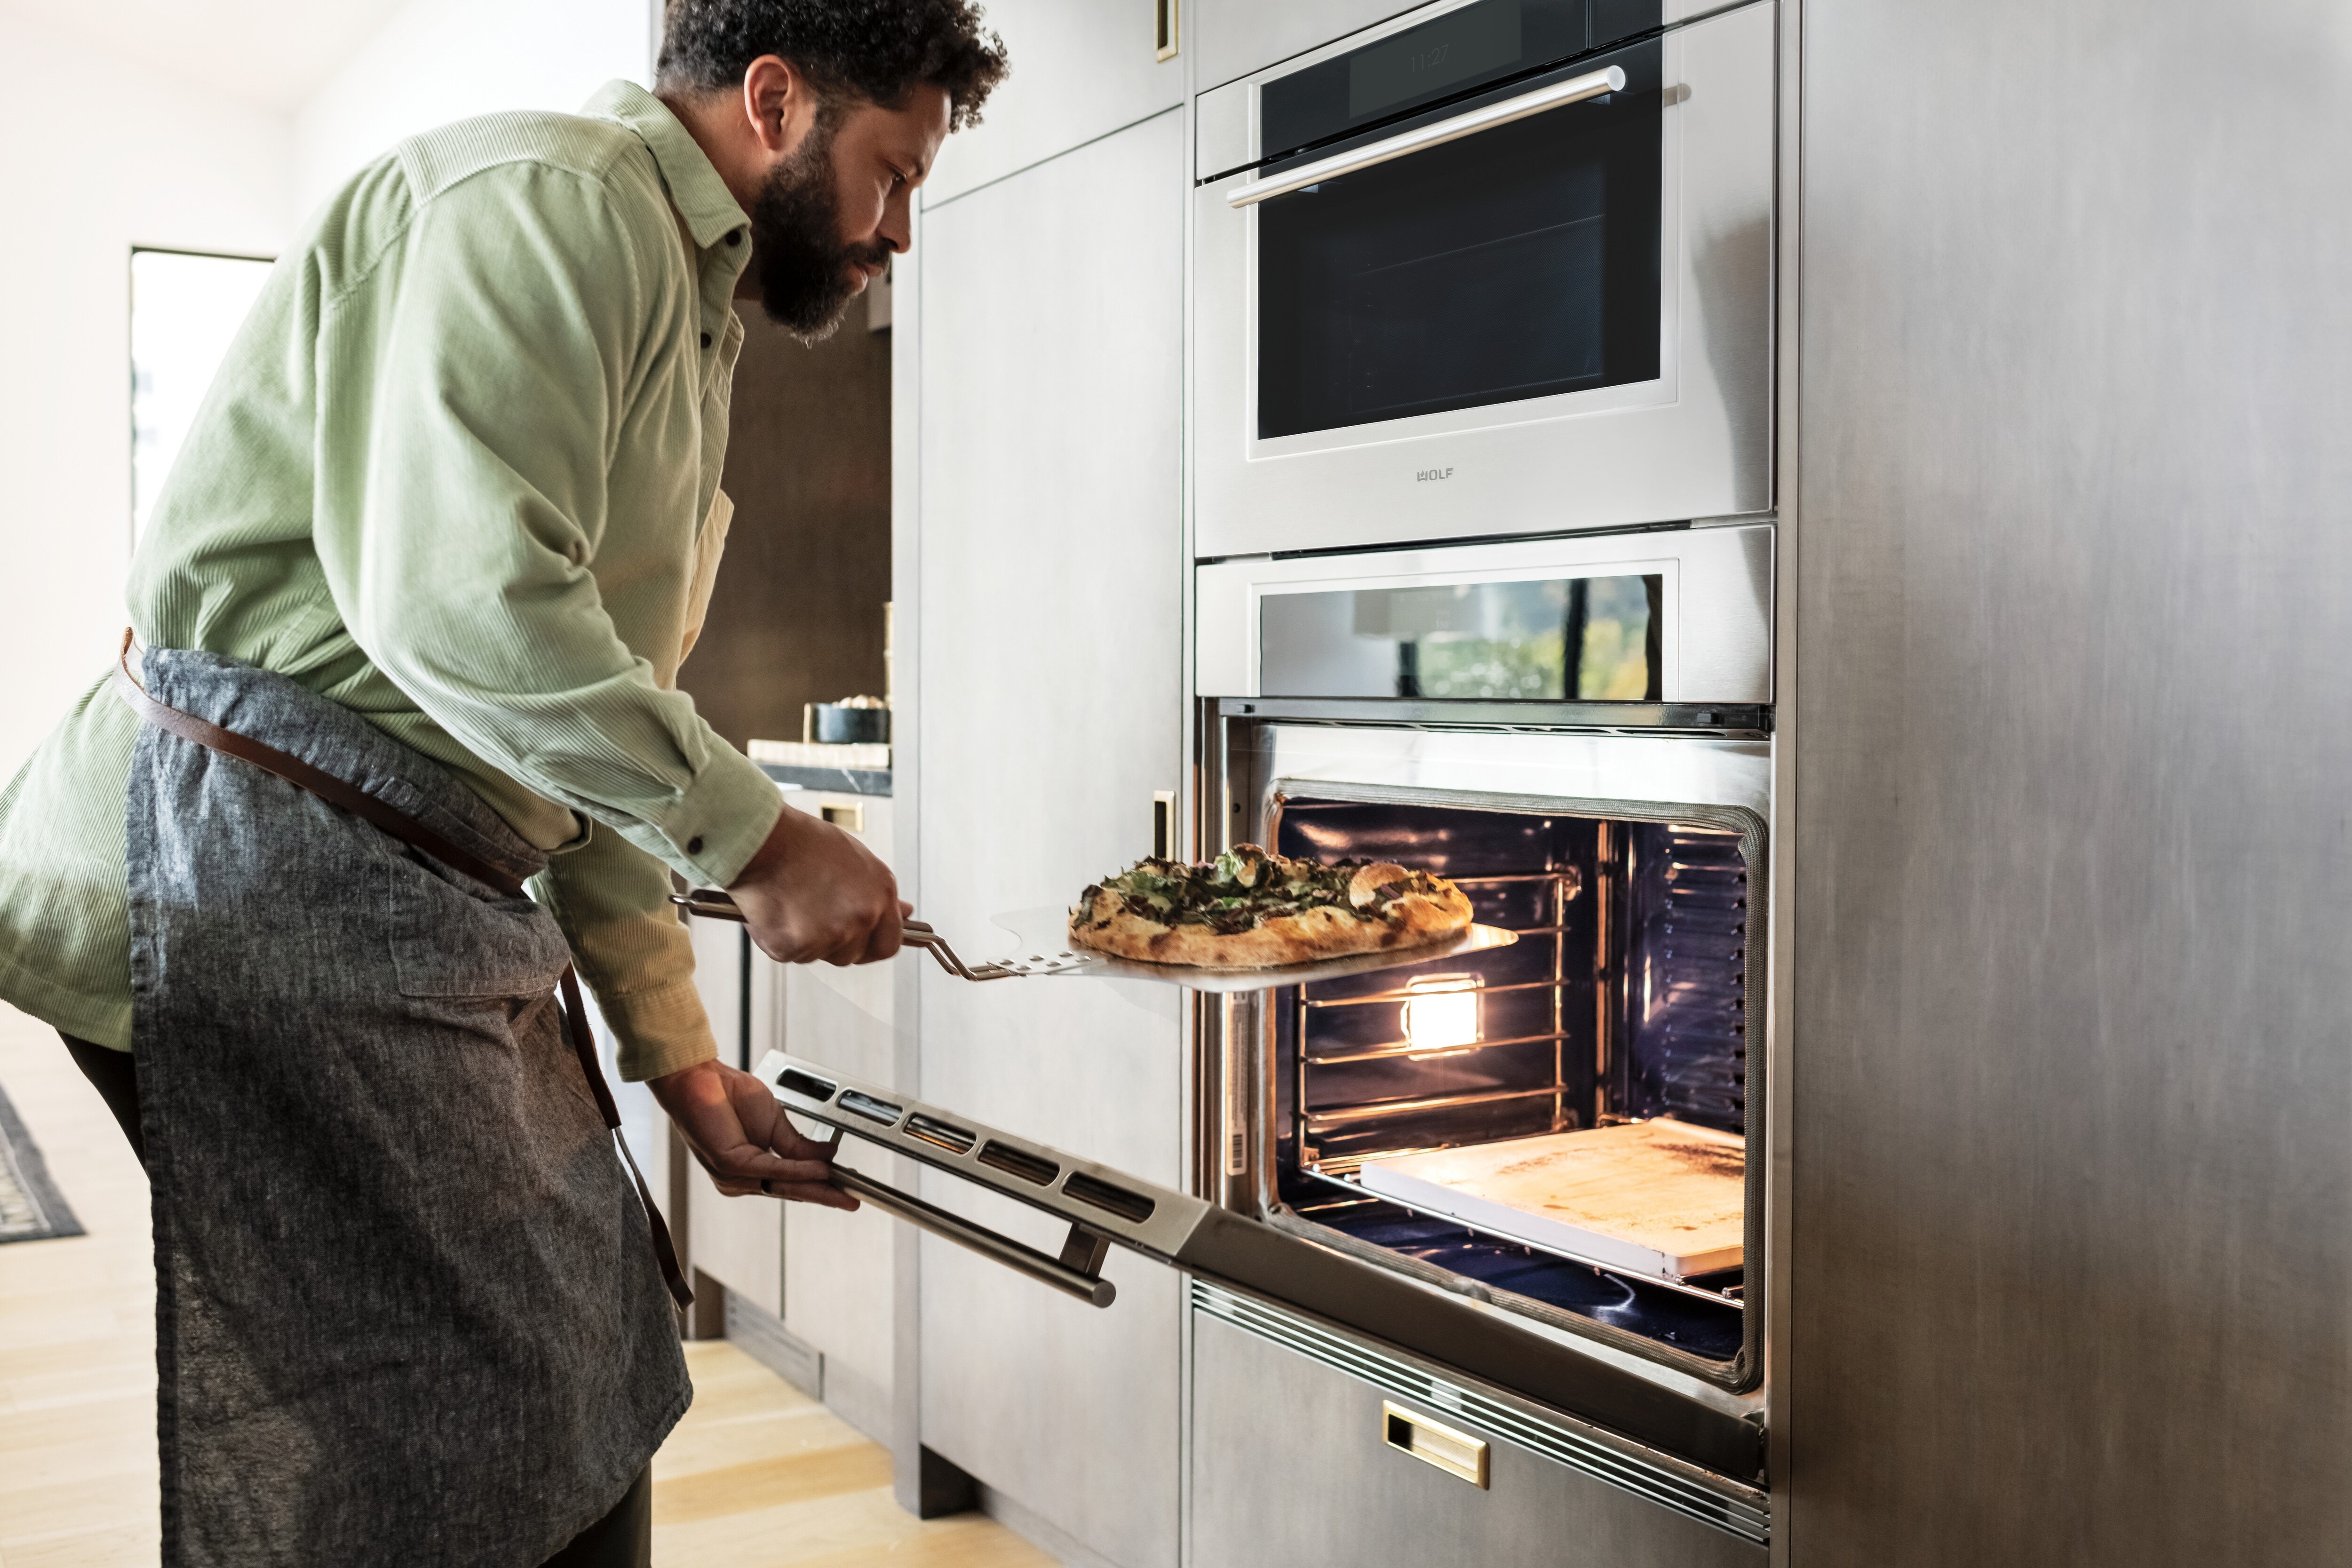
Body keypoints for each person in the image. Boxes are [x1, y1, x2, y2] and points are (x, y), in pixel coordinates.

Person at [0, 2, 1007, 1563]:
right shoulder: (547, 203)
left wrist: (679, 1057)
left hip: (388, 880)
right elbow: (464, 611)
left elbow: (585, 719)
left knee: (575, 1350)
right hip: (242, 866)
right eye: (891, 174)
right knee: (466, 1413)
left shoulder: (689, 307)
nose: (898, 231)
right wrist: (755, 836)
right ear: (774, 97)